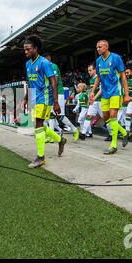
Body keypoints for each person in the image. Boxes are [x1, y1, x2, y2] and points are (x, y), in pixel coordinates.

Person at [22, 35, 67, 168]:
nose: (26, 52)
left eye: (28, 49)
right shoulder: (27, 64)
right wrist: (25, 98)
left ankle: (41, 157)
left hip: (44, 97)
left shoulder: (44, 63)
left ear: (35, 48)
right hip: (34, 97)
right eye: (24, 50)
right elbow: (30, 82)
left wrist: (56, 102)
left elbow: (53, 81)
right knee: (38, 124)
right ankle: (60, 139)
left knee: (38, 125)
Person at [89, 40, 131, 155]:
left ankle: (114, 145)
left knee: (113, 116)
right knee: (106, 117)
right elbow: (98, 78)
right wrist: (93, 91)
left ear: (106, 47)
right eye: (96, 47)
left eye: (100, 47)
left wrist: (126, 94)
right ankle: (123, 131)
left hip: (116, 92)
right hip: (105, 93)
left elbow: (123, 76)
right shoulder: (98, 61)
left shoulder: (116, 58)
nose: (98, 49)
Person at [43, 53, 79, 142]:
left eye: (43, 60)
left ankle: (74, 129)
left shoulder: (53, 66)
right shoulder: (46, 68)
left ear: (48, 59)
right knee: (51, 115)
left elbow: (55, 82)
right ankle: (52, 136)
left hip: (58, 93)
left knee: (59, 115)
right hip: (51, 94)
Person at [80, 63, 108, 140]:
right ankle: (83, 133)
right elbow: (91, 92)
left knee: (106, 118)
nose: (89, 72)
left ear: (95, 70)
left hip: (101, 101)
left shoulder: (99, 78)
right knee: (88, 116)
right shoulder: (91, 79)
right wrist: (89, 101)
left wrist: (94, 98)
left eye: (90, 70)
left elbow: (101, 90)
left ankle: (112, 134)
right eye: (88, 70)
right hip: (94, 102)